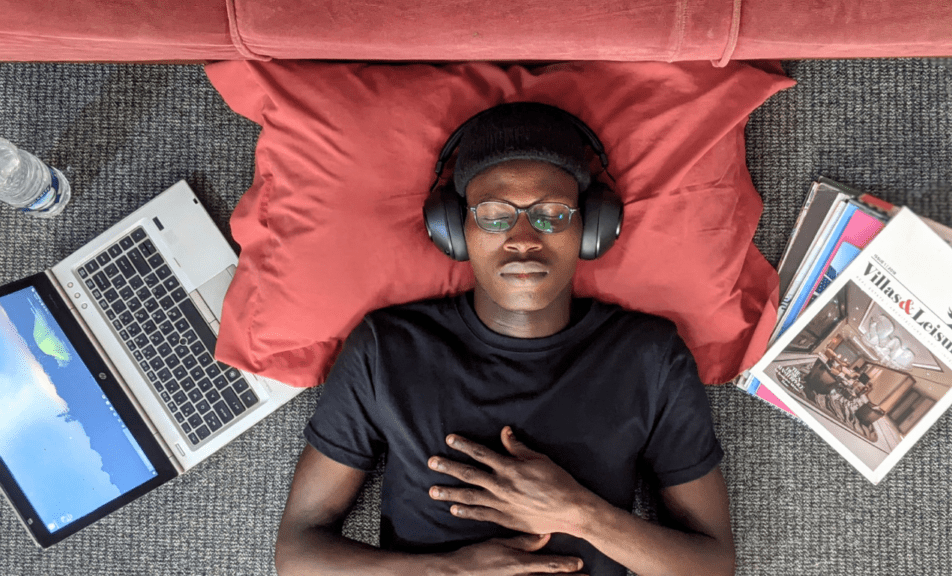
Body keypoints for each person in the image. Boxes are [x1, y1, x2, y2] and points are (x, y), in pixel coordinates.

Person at [274, 103, 736, 576]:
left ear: (591, 228)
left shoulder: (650, 357)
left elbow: (712, 566)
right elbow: (297, 552)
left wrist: (580, 514)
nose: (522, 238)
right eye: (494, 215)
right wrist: (450, 571)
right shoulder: (385, 348)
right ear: (454, 231)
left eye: (552, 214)